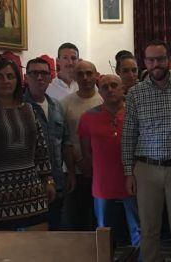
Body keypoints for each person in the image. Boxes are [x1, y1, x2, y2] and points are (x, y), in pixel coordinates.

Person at [122, 40, 171, 262]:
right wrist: (128, 172)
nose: (156, 64)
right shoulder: (135, 93)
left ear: (169, 60)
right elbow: (129, 135)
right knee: (149, 229)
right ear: (145, 62)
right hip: (146, 169)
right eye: (151, 60)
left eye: (160, 59)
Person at [0, 58, 55, 230]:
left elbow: (41, 148)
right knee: (0, 247)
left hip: (32, 191)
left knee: (38, 245)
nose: (6, 81)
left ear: (18, 80)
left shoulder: (29, 110)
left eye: (10, 76)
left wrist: (48, 179)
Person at [79, 74, 140, 246]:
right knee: (103, 229)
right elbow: (86, 151)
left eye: (114, 85)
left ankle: (142, 257)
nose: (110, 89)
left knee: (138, 227)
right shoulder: (88, 117)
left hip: (132, 179)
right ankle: (105, 257)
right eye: (105, 87)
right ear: (99, 91)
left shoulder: (135, 114)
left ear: (123, 89)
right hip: (102, 182)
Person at [23, 58, 75, 231]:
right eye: (34, 73)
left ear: (51, 77)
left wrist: (71, 173)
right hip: (30, 184)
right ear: (26, 77)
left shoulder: (57, 106)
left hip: (58, 180)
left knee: (56, 231)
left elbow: (65, 143)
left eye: (44, 73)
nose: (39, 77)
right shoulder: (19, 107)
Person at [61, 60, 104, 231]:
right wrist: (78, 162)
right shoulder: (65, 103)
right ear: (74, 76)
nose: (85, 77)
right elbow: (65, 138)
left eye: (89, 73)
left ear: (96, 75)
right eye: (80, 74)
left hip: (101, 170)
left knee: (99, 220)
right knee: (76, 221)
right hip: (74, 170)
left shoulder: (104, 100)